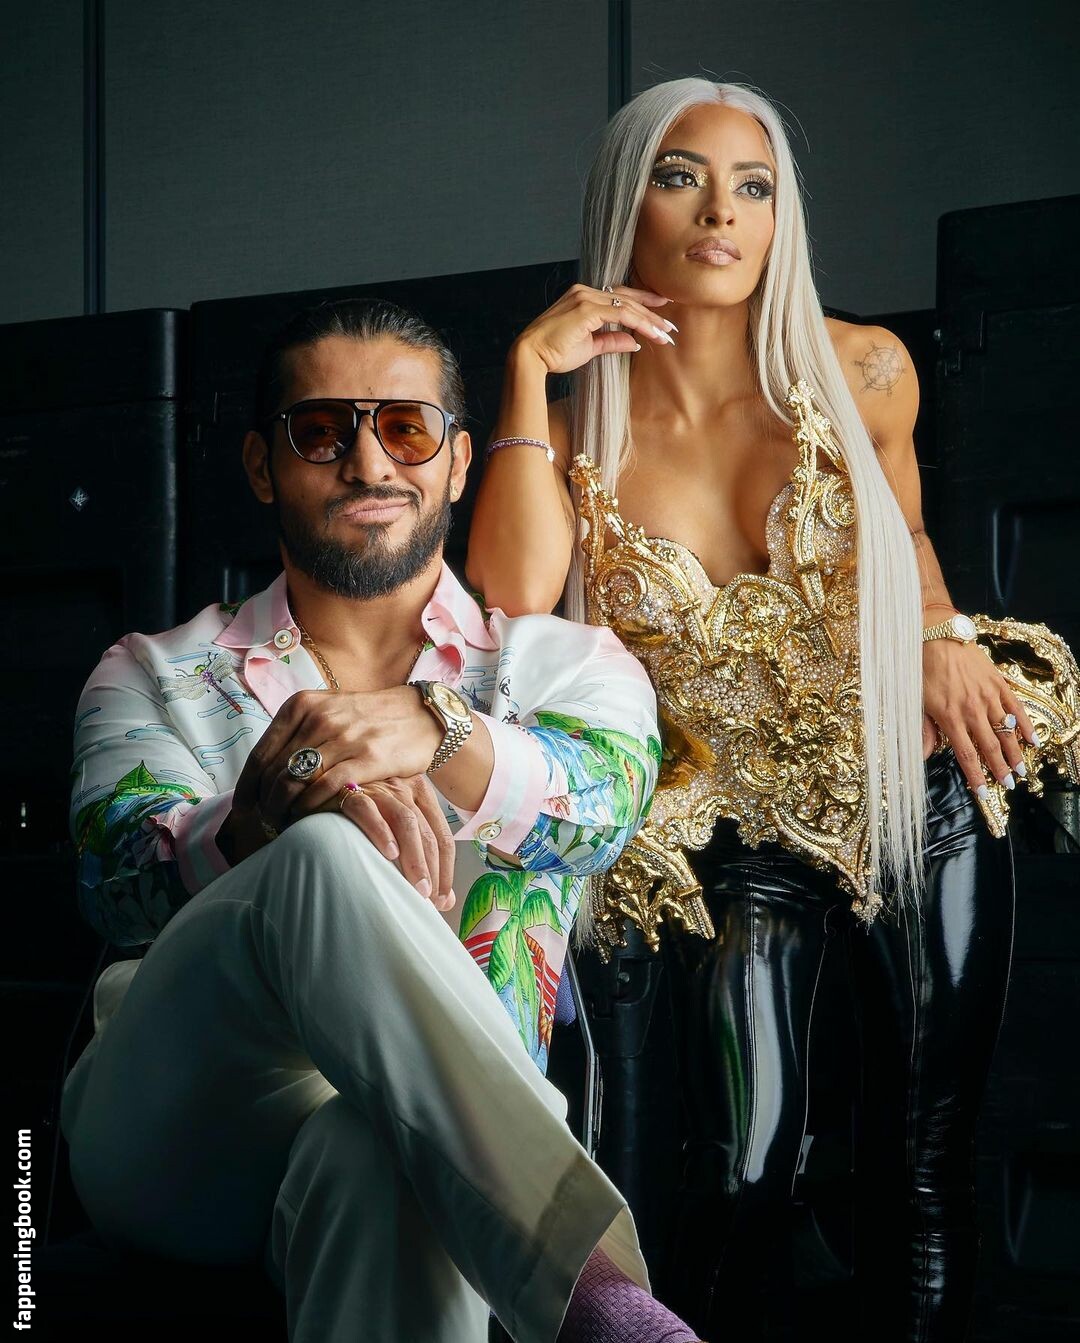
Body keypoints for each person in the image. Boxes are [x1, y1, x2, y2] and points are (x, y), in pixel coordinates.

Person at [465, 79, 1034, 1342]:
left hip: (910, 782)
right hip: (729, 833)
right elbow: (511, 601)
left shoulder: (864, 368)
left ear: (781, 217)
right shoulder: (574, 426)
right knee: (742, 1169)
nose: (721, 212)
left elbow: (910, 539)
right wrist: (524, 375)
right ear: (628, 205)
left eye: (753, 185)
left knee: (923, 1162)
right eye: (681, 178)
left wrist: (939, 633)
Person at [60, 297, 711, 1343]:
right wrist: (256, 825)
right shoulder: (151, 672)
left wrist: (442, 729)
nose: (368, 462)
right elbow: (113, 882)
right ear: (264, 466)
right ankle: (592, 1298)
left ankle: (559, 1265)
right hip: (177, 1125)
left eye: (406, 428)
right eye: (322, 431)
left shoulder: (561, 666)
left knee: (383, 1155)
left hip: (429, 1143)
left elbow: (601, 812)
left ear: (457, 464)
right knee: (318, 848)